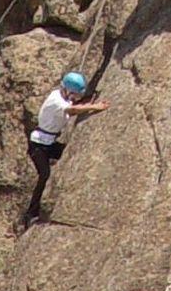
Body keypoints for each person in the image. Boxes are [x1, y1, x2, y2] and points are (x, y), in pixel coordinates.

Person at [24, 71, 108, 228]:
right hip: (39, 144)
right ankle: (31, 213)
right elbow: (72, 110)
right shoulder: (56, 100)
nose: (74, 98)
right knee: (44, 175)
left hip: (49, 142)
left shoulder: (63, 96)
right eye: (74, 95)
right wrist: (95, 106)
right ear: (68, 91)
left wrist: (86, 101)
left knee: (71, 156)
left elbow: (73, 105)